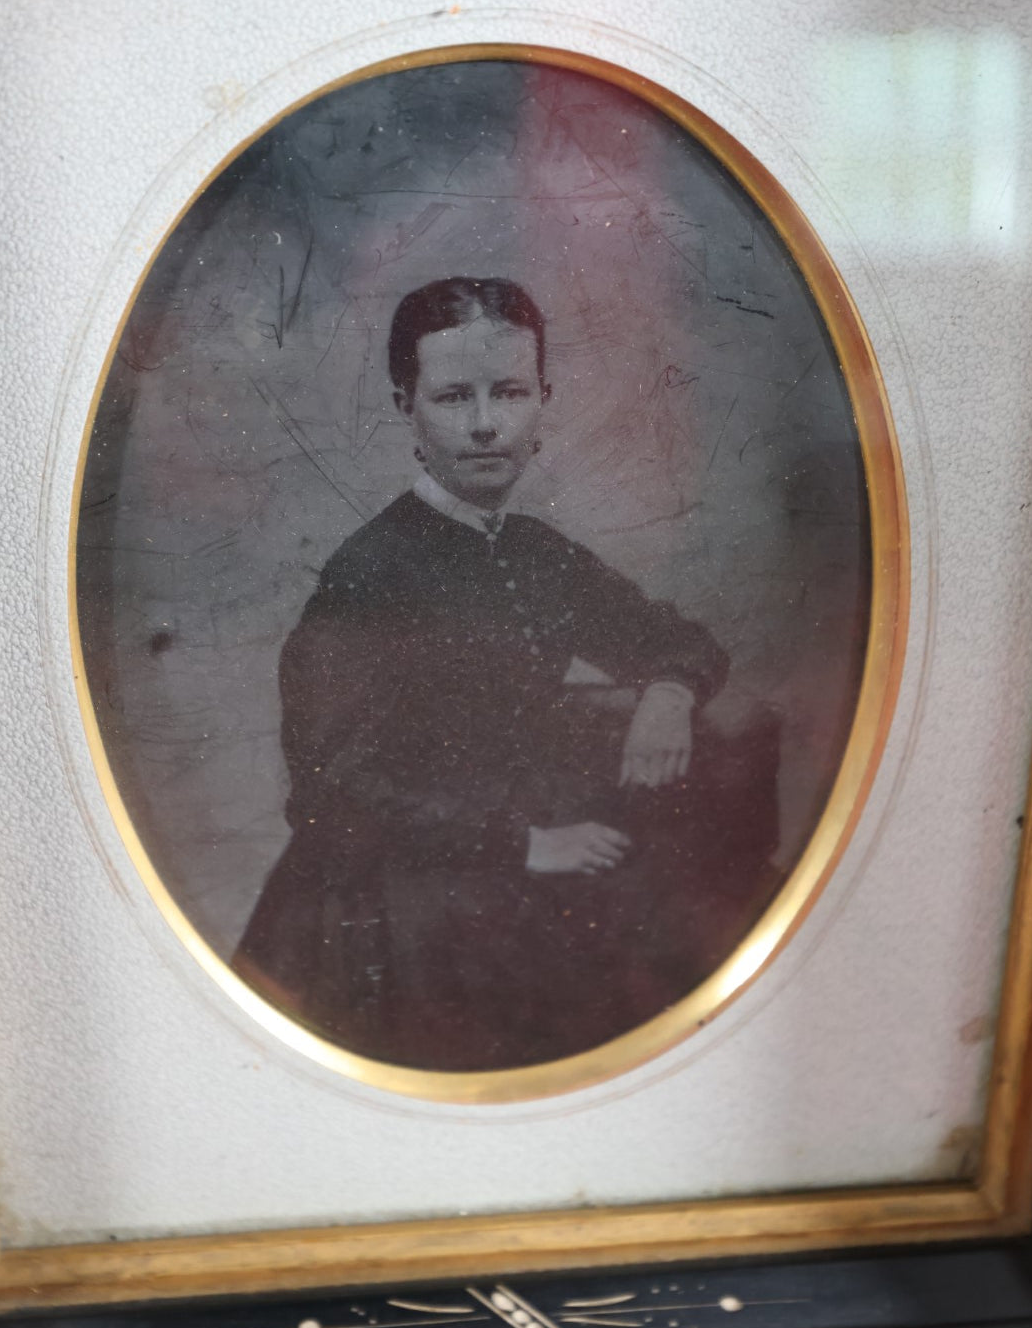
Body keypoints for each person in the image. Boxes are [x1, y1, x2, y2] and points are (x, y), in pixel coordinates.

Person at [233, 278, 779, 1073]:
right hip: (401, 895)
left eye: (511, 392)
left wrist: (665, 692)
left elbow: (675, 639)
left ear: (543, 400)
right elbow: (328, 790)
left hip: (530, 853)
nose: (487, 425)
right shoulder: (370, 573)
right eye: (454, 396)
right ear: (405, 405)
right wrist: (523, 844)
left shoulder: (532, 551)